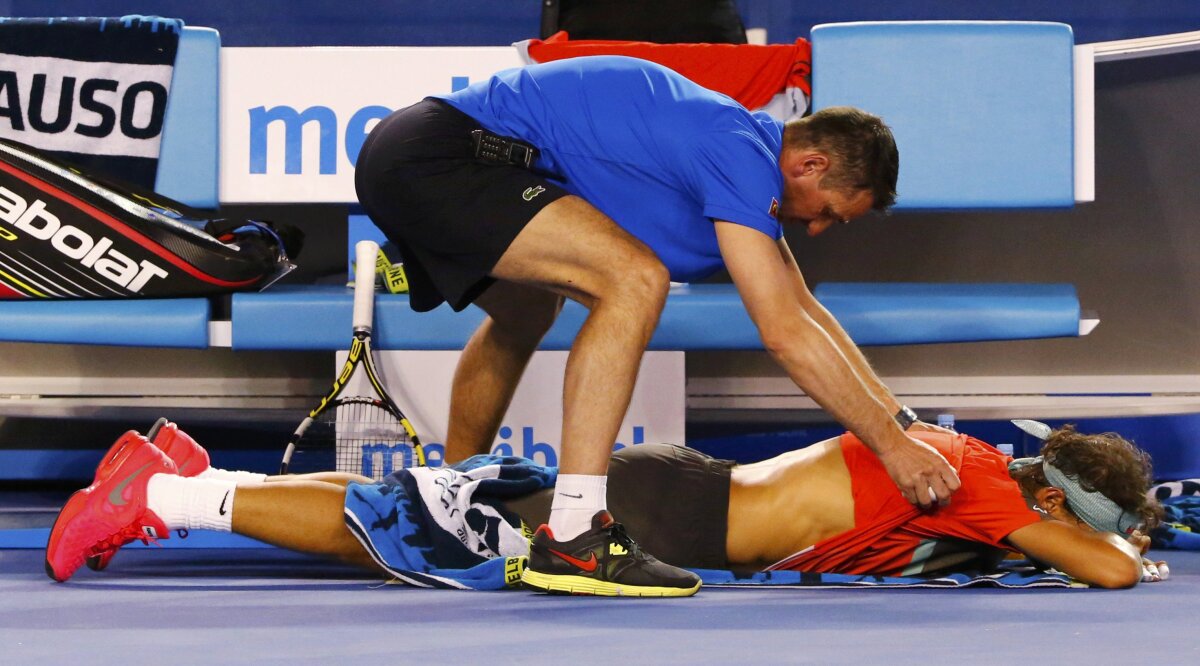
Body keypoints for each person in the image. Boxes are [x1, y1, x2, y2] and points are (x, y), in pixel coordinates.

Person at [353, 54, 960, 596]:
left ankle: (450, 501)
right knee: (635, 278)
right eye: (829, 211)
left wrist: (902, 424)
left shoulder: (740, 148)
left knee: (527, 309)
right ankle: (575, 532)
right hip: (440, 156)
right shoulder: (739, 152)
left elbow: (806, 311)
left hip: (425, 151)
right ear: (810, 163)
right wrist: (890, 450)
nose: (822, 228)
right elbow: (783, 334)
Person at [46, 420, 1164, 590]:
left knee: (415, 500)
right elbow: (1107, 572)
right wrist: (1113, 547)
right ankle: (169, 499)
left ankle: (185, 472)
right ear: (1060, 496)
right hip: (674, 521)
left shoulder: (955, 453)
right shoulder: (974, 486)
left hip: (675, 485)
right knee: (394, 534)